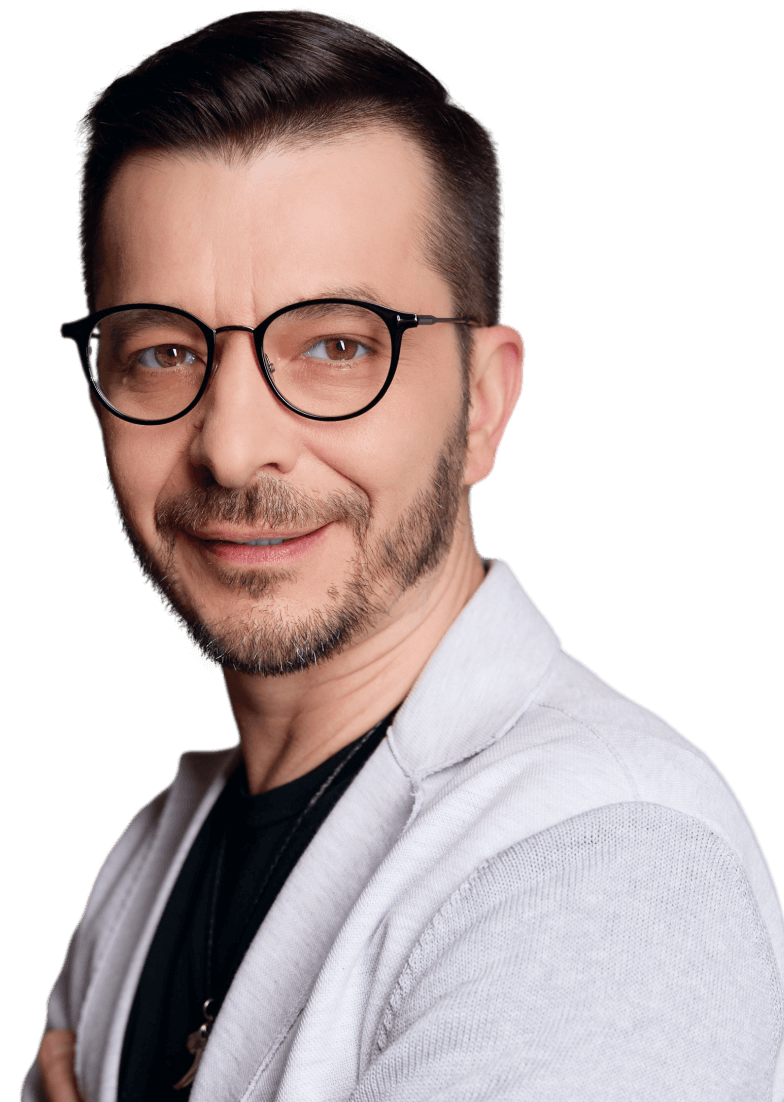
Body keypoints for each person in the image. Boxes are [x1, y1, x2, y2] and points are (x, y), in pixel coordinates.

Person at [23, 9, 783, 1102]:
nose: (232, 445)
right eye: (163, 352)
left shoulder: (603, 858)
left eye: (335, 346)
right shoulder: (149, 860)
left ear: (482, 403)